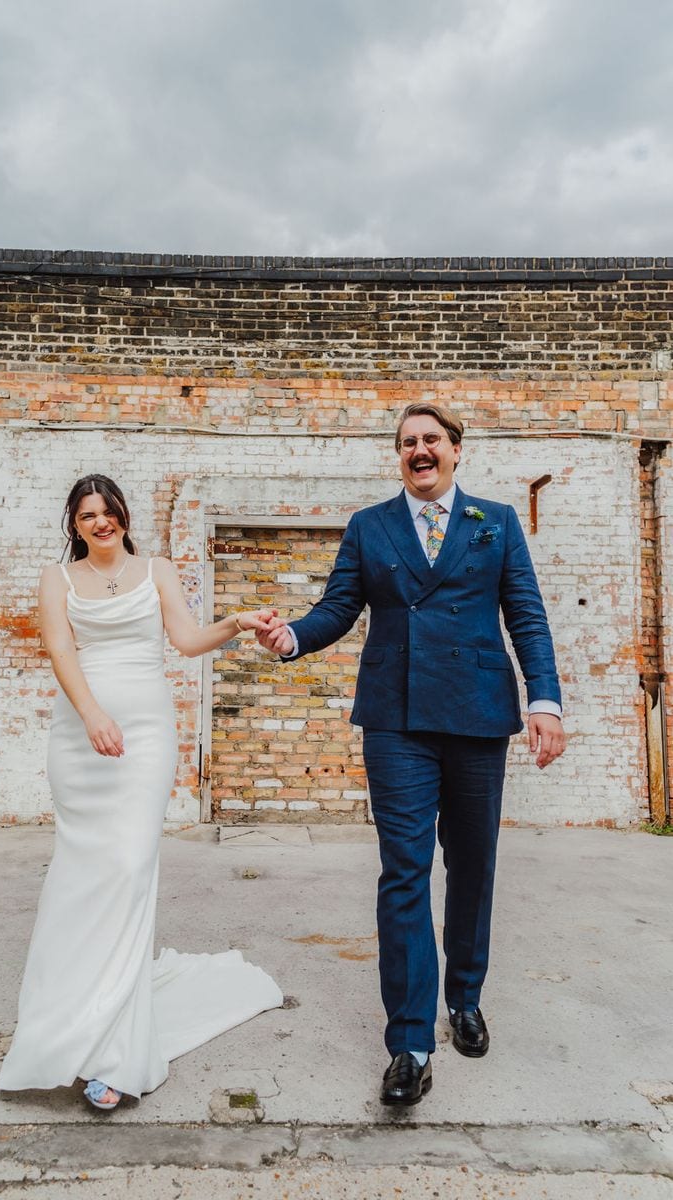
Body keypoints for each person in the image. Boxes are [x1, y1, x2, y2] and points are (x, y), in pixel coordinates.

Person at [256, 404, 566, 1107]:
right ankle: (410, 1043)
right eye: (407, 443)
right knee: (404, 870)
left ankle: (465, 996)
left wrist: (544, 700)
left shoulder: (496, 521)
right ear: (398, 457)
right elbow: (339, 608)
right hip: (396, 718)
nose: (419, 451)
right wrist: (294, 638)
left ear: (457, 450)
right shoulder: (372, 526)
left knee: (473, 864)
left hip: (480, 714)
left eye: (431, 440)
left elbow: (526, 614)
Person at [0, 474, 282, 1111]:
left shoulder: (156, 569)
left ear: (124, 515)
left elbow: (184, 641)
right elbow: (61, 651)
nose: (101, 522)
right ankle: (67, 1019)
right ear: (74, 524)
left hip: (146, 738)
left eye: (109, 511)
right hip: (80, 739)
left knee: (129, 870)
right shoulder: (57, 579)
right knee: (79, 876)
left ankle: (118, 1049)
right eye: (87, 515)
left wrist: (234, 622)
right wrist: (93, 715)